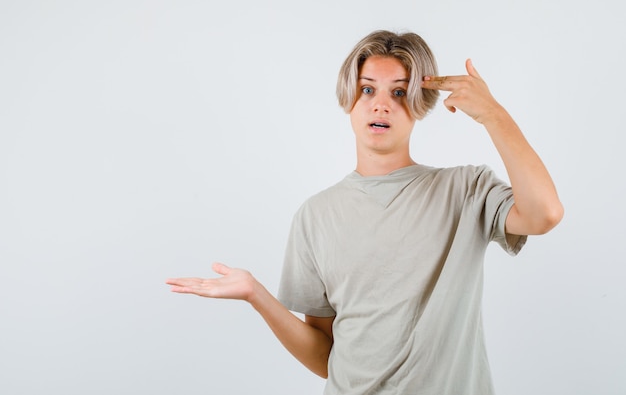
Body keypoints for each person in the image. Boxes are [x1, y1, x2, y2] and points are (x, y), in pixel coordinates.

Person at [166, 30, 563, 394]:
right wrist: (256, 294)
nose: (381, 105)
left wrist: (494, 115)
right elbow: (325, 357)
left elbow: (544, 213)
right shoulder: (316, 215)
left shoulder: (465, 190)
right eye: (367, 89)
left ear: (420, 104)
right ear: (349, 101)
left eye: (398, 92)